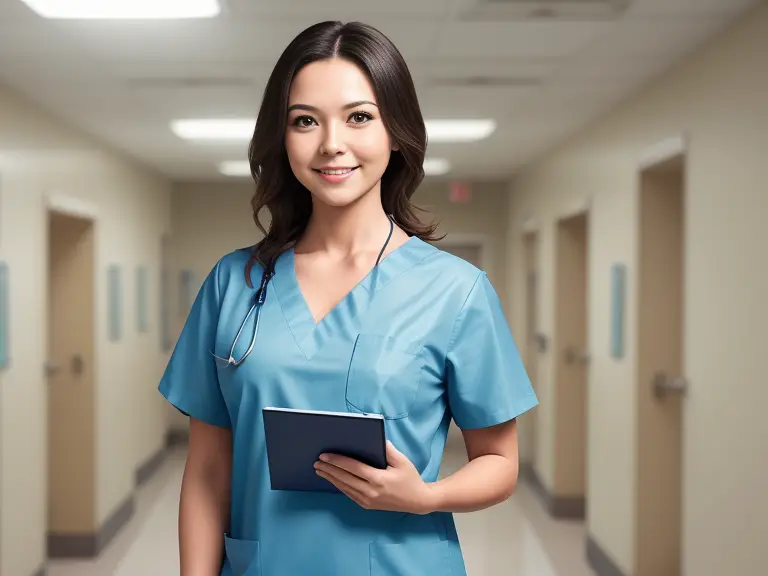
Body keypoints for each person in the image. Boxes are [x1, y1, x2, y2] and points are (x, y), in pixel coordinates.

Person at [159, 20, 538, 576]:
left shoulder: (455, 291)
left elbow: (500, 463)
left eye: (359, 117)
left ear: (397, 132)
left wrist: (424, 496)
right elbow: (209, 471)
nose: (331, 143)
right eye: (305, 121)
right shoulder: (233, 282)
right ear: (281, 137)